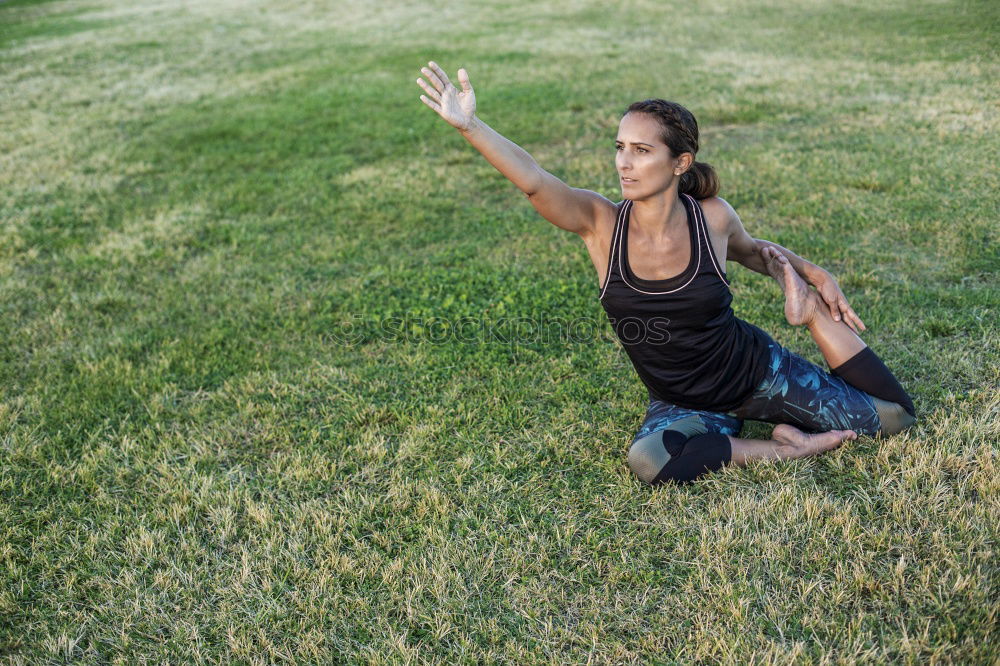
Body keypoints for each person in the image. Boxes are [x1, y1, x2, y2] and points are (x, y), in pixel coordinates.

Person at [416, 62, 916, 484]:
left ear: (681, 162)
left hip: (759, 374)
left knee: (893, 418)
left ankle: (807, 320)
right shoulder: (600, 224)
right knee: (649, 460)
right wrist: (470, 127)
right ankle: (788, 449)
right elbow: (534, 182)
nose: (624, 164)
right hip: (682, 401)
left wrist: (812, 275)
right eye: (619, 147)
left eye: (641, 150)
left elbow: (753, 251)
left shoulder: (713, 217)